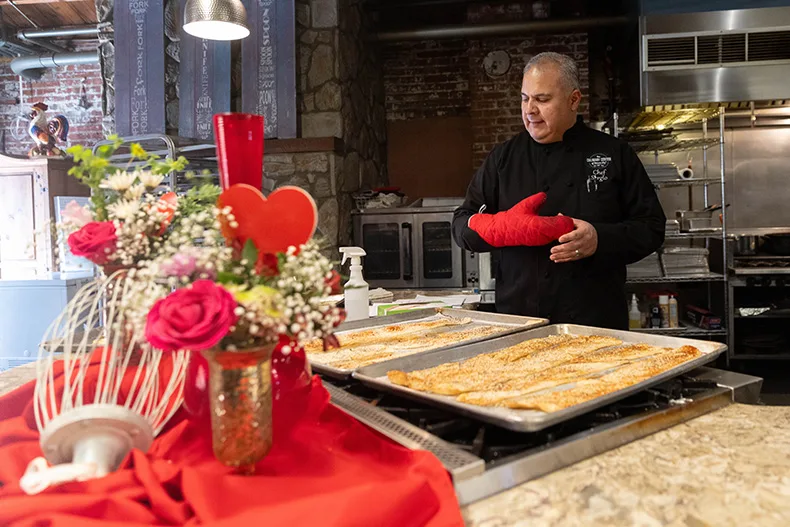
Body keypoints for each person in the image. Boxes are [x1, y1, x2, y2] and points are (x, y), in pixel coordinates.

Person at [452, 52, 665, 330]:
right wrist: (502, 227)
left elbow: (652, 227)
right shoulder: (503, 159)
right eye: (524, 98)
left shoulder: (614, 154)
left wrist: (599, 239)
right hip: (520, 322)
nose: (529, 110)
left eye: (542, 99)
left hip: (595, 323)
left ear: (573, 100)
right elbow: (460, 224)